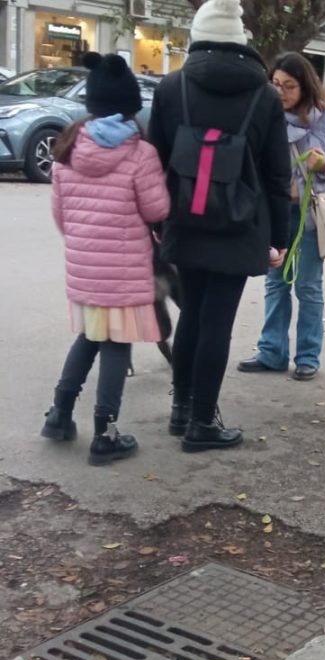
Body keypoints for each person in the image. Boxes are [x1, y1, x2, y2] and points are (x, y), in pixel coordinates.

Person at [148, 0, 291, 452]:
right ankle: (203, 424)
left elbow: (156, 159)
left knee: (192, 313)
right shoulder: (265, 96)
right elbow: (276, 174)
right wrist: (279, 238)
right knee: (217, 323)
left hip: (185, 220)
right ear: (240, 40)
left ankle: (181, 408)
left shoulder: (172, 88)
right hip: (241, 224)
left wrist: (156, 219)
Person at [40, 52, 170, 466]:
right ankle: (106, 433)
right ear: (131, 109)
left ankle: (59, 415)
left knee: (89, 338)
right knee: (115, 345)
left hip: (84, 267)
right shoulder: (140, 153)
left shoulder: (67, 148)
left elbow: (61, 216)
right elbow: (156, 210)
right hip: (125, 269)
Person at [237, 52, 325, 381]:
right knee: (275, 285)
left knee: (308, 287)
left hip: (311, 215)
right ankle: (271, 352)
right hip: (274, 215)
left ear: (305, 86)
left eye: (289, 86)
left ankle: (308, 356)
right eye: (275, 84)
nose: (281, 92)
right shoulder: (264, 115)